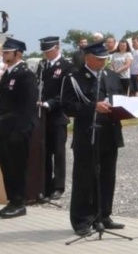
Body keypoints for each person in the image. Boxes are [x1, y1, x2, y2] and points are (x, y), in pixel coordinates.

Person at [62, 41, 126, 235]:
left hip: (109, 133)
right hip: (87, 134)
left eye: (105, 59)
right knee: (85, 178)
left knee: (107, 177)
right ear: (87, 58)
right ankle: (82, 220)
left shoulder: (112, 76)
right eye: (99, 59)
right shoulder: (74, 78)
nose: (103, 62)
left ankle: (103, 215)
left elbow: (120, 98)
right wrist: (93, 107)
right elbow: (68, 106)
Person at [0, 38, 38, 219]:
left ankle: (19, 202)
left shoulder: (25, 74)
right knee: (7, 166)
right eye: (4, 52)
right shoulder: (9, 73)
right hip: (4, 127)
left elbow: (29, 105)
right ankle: (12, 200)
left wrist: (23, 129)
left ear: (18, 54)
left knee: (17, 166)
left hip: (17, 128)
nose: (4, 54)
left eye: (8, 52)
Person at [34, 37, 74, 203]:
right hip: (42, 115)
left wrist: (49, 103)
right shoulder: (42, 66)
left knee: (58, 152)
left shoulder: (66, 67)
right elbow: (38, 85)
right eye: (44, 51)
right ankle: (45, 184)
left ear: (57, 48)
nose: (46, 54)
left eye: (48, 51)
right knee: (44, 151)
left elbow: (66, 92)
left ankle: (58, 186)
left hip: (58, 114)